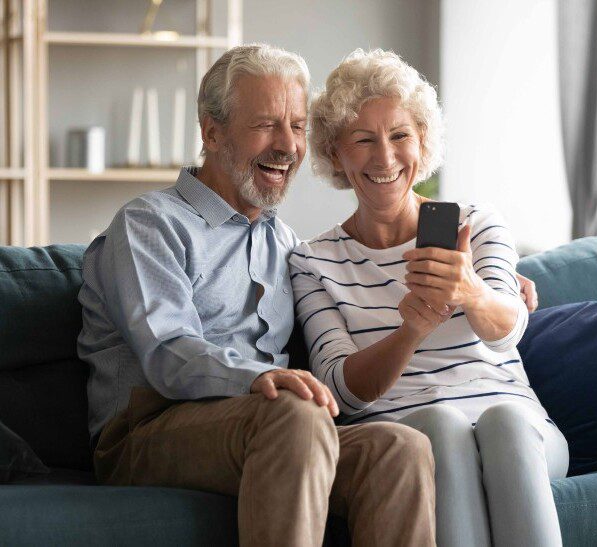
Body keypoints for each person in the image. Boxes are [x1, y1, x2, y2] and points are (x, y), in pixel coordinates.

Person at [77, 44, 436, 547]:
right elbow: (166, 352)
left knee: (399, 446)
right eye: (266, 125)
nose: (286, 145)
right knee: (292, 412)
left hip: (272, 429)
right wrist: (264, 376)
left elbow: (346, 305)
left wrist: (492, 283)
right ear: (211, 132)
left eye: (295, 126)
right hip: (148, 429)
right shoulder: (149, 224)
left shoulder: (284, 243)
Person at [290, 48, 568, 547]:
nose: (385, 157)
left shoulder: (478, 223)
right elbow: (343, 389)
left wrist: (472, 292)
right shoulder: (314, 263)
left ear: (422, 141)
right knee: (435, 427)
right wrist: (410, 331)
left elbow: (509, 331)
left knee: (505, 420)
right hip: (406, 435)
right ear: (336, 153)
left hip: (519, 430)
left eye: (400, 135)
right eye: (363, 140)